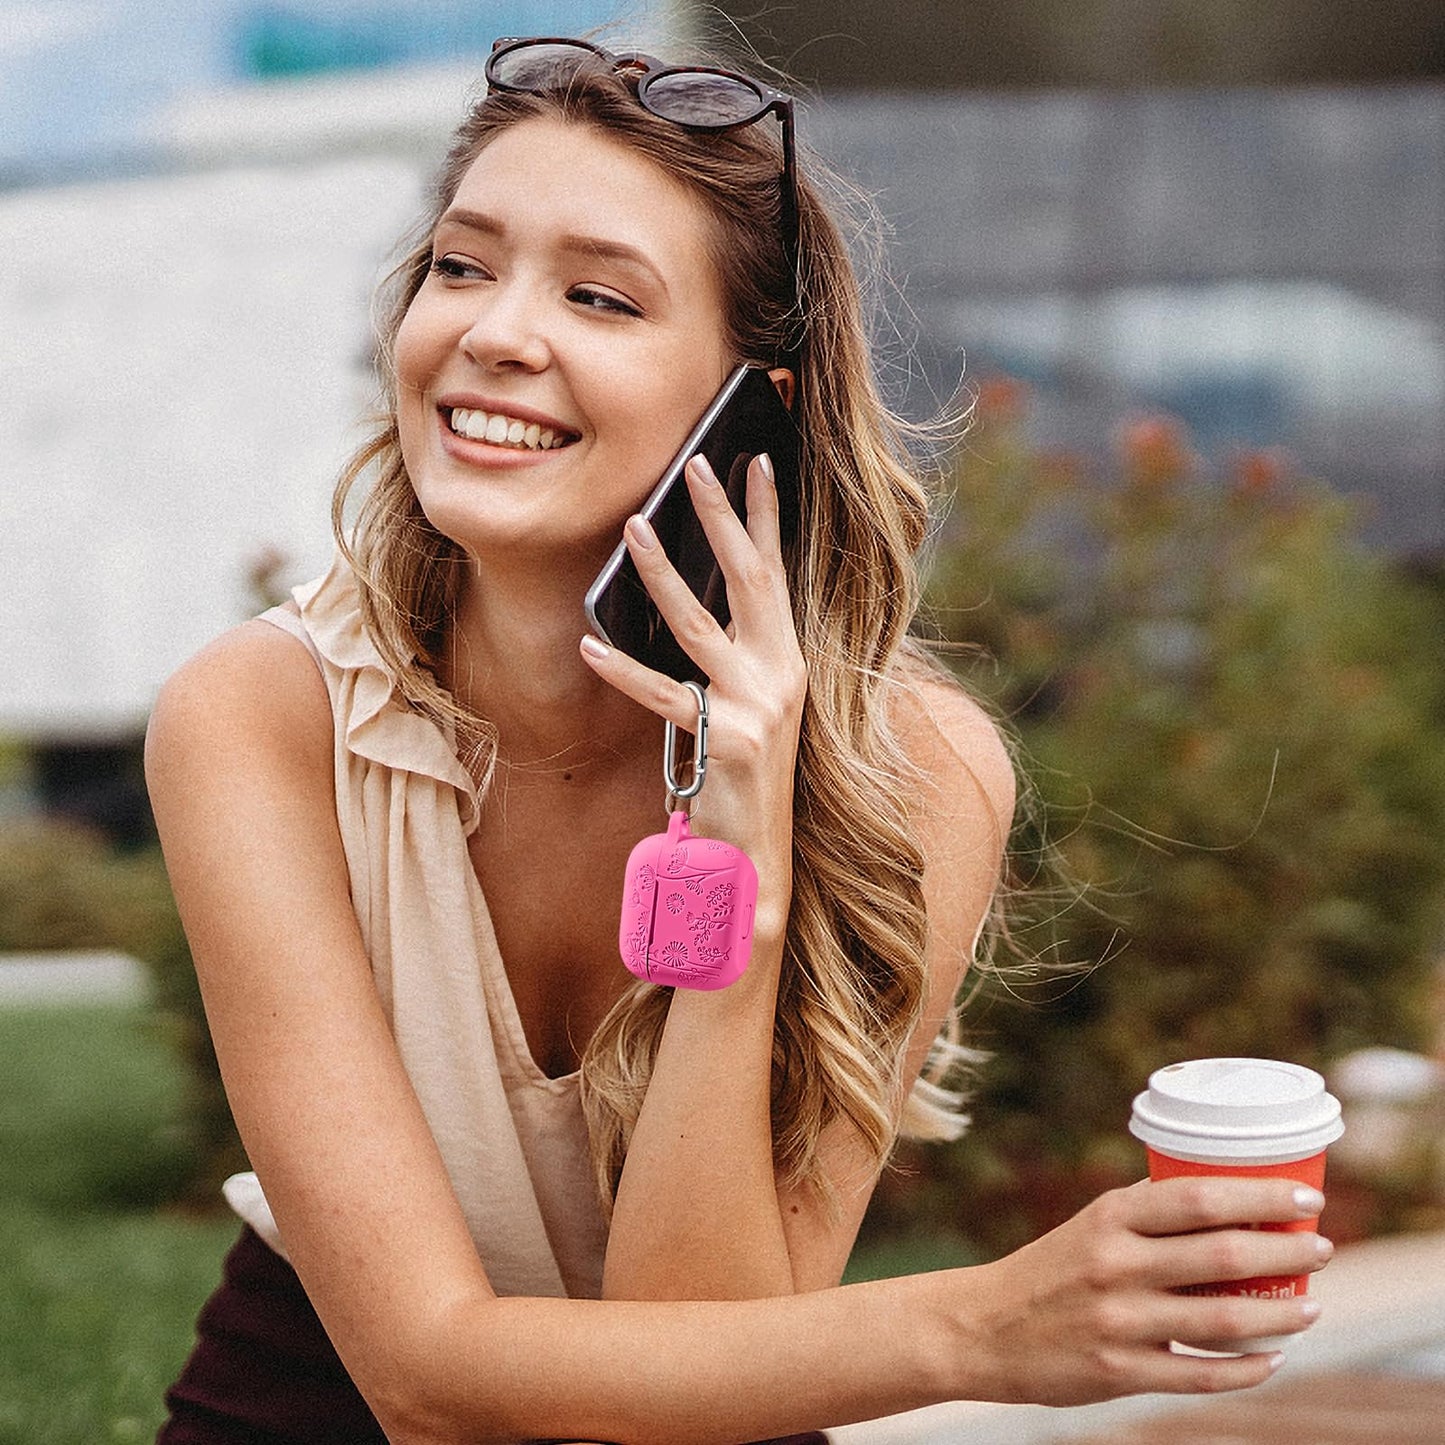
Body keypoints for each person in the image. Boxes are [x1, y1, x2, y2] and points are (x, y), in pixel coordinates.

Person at [146, 34, 1331, 1445]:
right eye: (463, 266)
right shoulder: (262, 716)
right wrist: (973, 1328)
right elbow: (417, 1376)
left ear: (744, 415)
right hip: (316, 1396)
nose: (495, 332)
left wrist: (740, 849)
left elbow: (698, 1366)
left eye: (598, 295)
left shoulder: (914, 773)